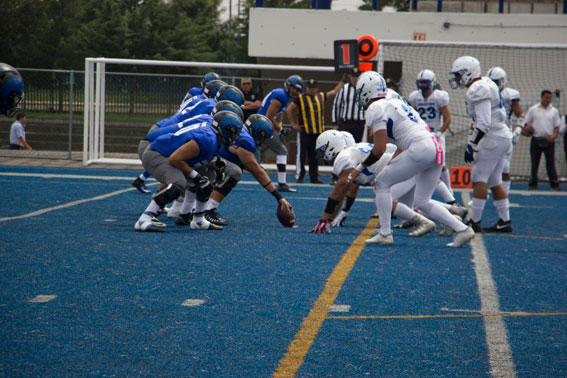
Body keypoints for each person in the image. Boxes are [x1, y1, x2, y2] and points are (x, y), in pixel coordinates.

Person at [349, 71, 473, 248]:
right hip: (435, 146)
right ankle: (462, 229)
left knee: (381, 183)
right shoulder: (394, 99)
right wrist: (392, 162)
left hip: (420, 148)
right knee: (422, 201)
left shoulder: (375, 108)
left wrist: (358, 169)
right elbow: (402, 140)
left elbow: (378, 149)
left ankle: (385, 233)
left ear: (366, 91)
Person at [309, 130, 437, 237]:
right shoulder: (353, 153)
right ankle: (452, 215)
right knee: (419, 201)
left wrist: (324, 219)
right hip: (408, 162)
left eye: (322, 151)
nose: (321, 155)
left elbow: (337, 192)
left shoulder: (343, 158)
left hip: (403, 164)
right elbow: (342, 192)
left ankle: (419, 223)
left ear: (332, 146)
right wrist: (330, 219)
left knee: (384, 197)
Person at [134, 110, 243, 232]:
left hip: (171, 155)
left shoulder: (213, 136)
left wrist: (213, 164)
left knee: (207, 179)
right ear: (226, 131)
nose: (236, 137)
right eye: (235, 133)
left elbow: (195, 157)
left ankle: (198, 220)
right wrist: (196, 177)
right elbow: (175, 159)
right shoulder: (207, 138)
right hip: (158, 154)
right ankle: (145, 218)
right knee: (179, 183)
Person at [186, 114, 293, 227]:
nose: (264, 141)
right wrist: (279, 197)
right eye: (264, 137)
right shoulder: (246, 141)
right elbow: (257, 172)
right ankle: (209, 210)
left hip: (206, 159)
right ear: (257, 132)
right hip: (207, 161)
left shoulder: (242, 133)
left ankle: (185, 211)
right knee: (235, 172)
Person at [449, 56, 513, 233]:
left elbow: (483, 123)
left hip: (493, 137)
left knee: (478, 178)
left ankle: (474, 221)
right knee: (494, 180)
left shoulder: (478, 88)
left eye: (459, 74)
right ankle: (505, 221)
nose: (456, 79)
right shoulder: (484, 83)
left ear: (469, 73)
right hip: (501, 135)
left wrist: (472, 144)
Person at [286, 77, 345, 184]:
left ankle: (314, 177)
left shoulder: (320, 96)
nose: (311, 90)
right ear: (307, 88)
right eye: (309, 87)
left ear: (317, 88)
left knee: (315, 155)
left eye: (313, 88)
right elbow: (289, 109)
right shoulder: (300, 98)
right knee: (302, 155)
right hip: (304, 131)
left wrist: (342, 81)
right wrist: (294, 125)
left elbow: (334, 92)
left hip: (318, 133)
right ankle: (300, 176)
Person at [257, 75, 304, 193]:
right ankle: (282, 184)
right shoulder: (281, 96)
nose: (295, 91)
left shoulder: (284, 96)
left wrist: (280, 127)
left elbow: (280, 115)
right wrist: (279, 128)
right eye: (294, 88)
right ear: (288, 85)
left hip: (262, 124)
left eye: (297, 90)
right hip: (262, 125)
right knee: (282, 151)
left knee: (249, 156)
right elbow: (269, 116)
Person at [408, 69, 453, 193]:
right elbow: (412, 115)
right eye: (420, 82)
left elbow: (448, 118)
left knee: (441, 163)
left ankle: (449, 190)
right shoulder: (415, 97)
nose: (422, 85)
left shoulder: (439, 96)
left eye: (425, 82)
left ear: (432, 82)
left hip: (436, 133)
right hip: (421, 133)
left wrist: (440, 132)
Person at [487, 66, 526, 195]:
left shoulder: (510, 95)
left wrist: (519, 129)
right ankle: (483, 193)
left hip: (505, 133)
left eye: (496, 82)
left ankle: (505, 195)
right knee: (486, 165)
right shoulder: (485, 92)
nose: (493, 85)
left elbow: (520, 114)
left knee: (505, 168)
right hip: (489, 132)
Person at [524, 89, 561, 191]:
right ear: (542, 97)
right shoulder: (533, 109)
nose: (548, 100)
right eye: (546, 98)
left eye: (550, 98)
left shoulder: (554, 111)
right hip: (536, 140)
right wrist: (527, 130)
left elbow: (557, 127)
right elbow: (526, 123)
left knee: (550, 164)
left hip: (549, 140)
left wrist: (553, 136)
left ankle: (555, 185)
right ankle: (532, 185)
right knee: (534, 164)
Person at [332, 67, 366, 143]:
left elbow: (368, 107)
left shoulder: (364, 89)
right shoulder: (344, 88)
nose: (355, 78)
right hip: (346, 123)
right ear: (350, 76)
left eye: (357, 76)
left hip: (359, 124)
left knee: (357, 146)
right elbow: (336, 105)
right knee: (344, 144)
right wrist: (335, 123)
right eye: (353, 76)